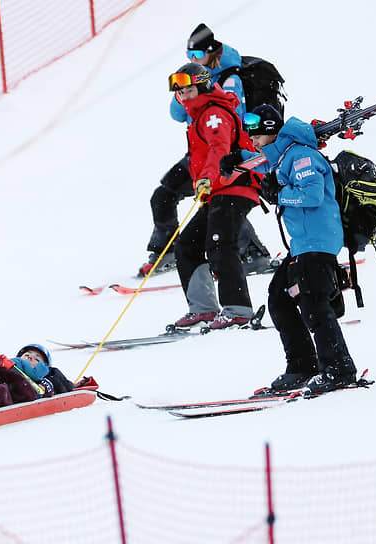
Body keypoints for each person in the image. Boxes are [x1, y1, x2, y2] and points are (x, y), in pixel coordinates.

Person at [141, 22, 270, 277]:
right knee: (164, 195)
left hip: (224, 155)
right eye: (189, 55)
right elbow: (176, 115)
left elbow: (229, 126)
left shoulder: (230, 79)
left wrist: (215, 167)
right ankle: (166, 250)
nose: (193, 59)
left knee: (225, 202)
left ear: (214, 51)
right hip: (197, 155)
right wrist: (185, 90)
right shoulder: (195, 79)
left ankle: (254, 253)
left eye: (198, 55)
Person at [258, 117, 358, 393]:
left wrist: (279, 194)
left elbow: (312, 195)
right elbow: (254, 161)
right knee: (279, 298)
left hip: (318, 241)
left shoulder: (301, 155)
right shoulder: (283, 157)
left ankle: (339, 369)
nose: (252, 139)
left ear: (271, 132)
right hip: (302, 244)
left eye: (256, 133)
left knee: (314, 303)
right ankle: (303, 366)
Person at [168, 63, 262, 330]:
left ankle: (238, 310)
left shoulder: (214, 114)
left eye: (187, 91)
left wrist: (209, 176)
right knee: (187, 244)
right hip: (217, 190)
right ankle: (204, 309)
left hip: (233, 186)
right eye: (180, 94)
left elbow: (220, 148)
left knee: (220, 244)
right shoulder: (200, 116)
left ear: (203, 86)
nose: (183, 98)